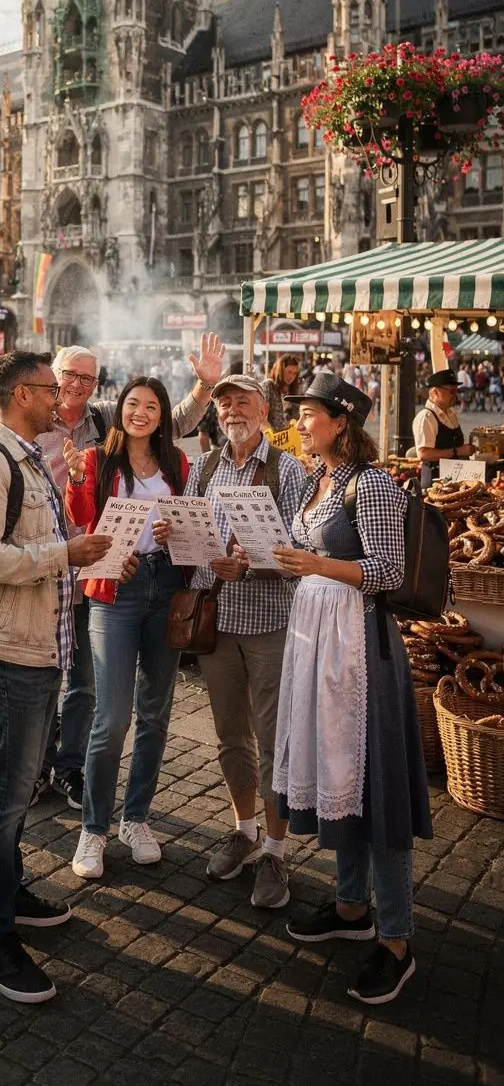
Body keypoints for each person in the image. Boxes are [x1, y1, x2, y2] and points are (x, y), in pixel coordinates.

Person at [0, 350, 124, 1005]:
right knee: (3, 797)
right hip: (9, 655)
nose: (64, 397)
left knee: (20, 790)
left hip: (40, 649)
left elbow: (40, 552)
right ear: (23, 394)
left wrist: (84, 552)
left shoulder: (31, 460)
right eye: (53, 388)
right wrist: (65, 553)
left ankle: (10, 891)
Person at [270, 372, 432, 1006]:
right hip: (318, 644)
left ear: (342, 422)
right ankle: (348, 907)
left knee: (375, 783)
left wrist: (314, 564)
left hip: (362, 651)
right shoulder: (318, 481)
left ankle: (396, 939)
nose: (301, 423)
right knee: (341, 773)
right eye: (300, 414)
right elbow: (306, 559)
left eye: (309, 414)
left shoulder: (371, 485)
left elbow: (387, 570)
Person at [34, 336, 225, 811]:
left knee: (108, 693)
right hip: (54, 564)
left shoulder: (167, 456)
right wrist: (78, 478)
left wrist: (204, 387)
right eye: (69, 375)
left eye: (87, 378)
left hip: (145, 580)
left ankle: (91, 785)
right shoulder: (39, 419)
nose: (76, 384)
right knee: (56, 682)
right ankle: (40, 773)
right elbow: (78, 507)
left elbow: (175, 423)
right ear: (52, 377)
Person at [181, 375, 306, 909]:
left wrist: (250, 566)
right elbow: (192, 534)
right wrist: (175, 536)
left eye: (242, 401)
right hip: (217, 619)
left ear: (264, 410)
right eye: (225, 402)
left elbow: (302, 548)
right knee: (231, 735)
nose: (232, 410)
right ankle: (245, 829)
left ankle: (276, 851)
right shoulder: (206, 465)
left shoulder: (288, 468)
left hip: (271, 620)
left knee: (275, 738)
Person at [64, 377, 190, 879]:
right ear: (121, 410)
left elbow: (189, 524)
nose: (141, 412)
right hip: (115, 590)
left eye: (151, 406)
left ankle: (136, 818)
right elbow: (82, 521)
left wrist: (172, 530)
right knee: (111, 718)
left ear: (162, 416)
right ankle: (93, 830)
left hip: (165, 584)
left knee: (155, 714)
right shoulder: (97, 460)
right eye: (133, 404)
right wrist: (75, 480)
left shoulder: (177, 463)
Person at [412, 369, 471, 488]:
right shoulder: (426, 417)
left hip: (454, 478)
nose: (455, 395)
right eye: (452, 391)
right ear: (435, 393)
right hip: (435, 483)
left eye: (456, 391)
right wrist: (457, 451)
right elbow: (424, 454)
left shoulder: (451, 413)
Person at [265, 355, 301, 430]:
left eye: (295, 373)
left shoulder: (293, 390)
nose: (291, 376)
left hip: (289, 436)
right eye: (289, 372)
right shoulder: (268, 386)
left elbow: (297, 417)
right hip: (272, 436)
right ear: (280, 371)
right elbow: (262, 418)